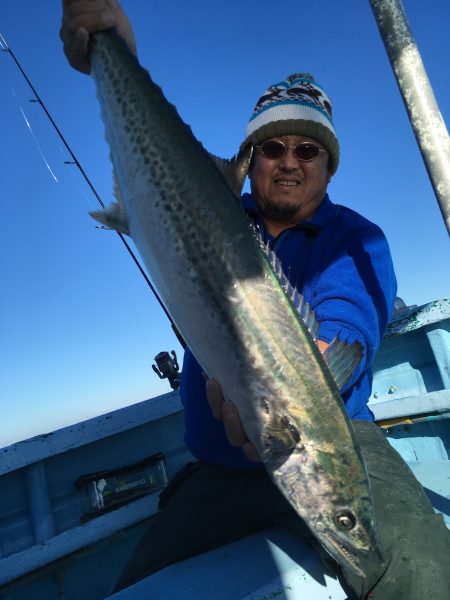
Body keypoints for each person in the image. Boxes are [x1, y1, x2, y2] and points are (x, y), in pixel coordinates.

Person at [60, 2, 450, 598]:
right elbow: (157, 170)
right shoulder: (207, 207)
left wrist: (292, 392)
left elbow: (348, 326)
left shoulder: (357, 238)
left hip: (346, 441)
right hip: (222, 465)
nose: (290, 161)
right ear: (251, 160)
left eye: (308, 149)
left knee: (424, 577)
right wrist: (116, 52)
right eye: (273, 148)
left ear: (328, 166)